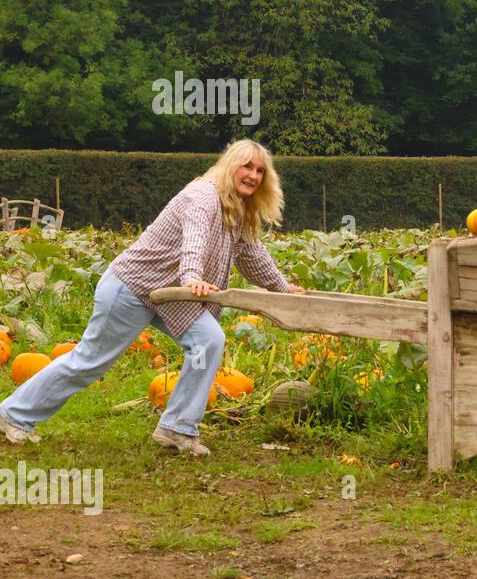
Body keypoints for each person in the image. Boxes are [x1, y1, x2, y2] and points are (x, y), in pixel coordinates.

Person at [0, 139, 304, 456]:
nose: (253, 175)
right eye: (247, 166)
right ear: (230, 166)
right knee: (89, 361)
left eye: (260, 170)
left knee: (209, 339)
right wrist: (192, 276)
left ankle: (177, 428)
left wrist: (282, 288)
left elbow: (253, 255)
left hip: (171, 294)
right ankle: (13, 415)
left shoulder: (242, 210)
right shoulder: (203, 196)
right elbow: (195, 238)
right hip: (131, 287)